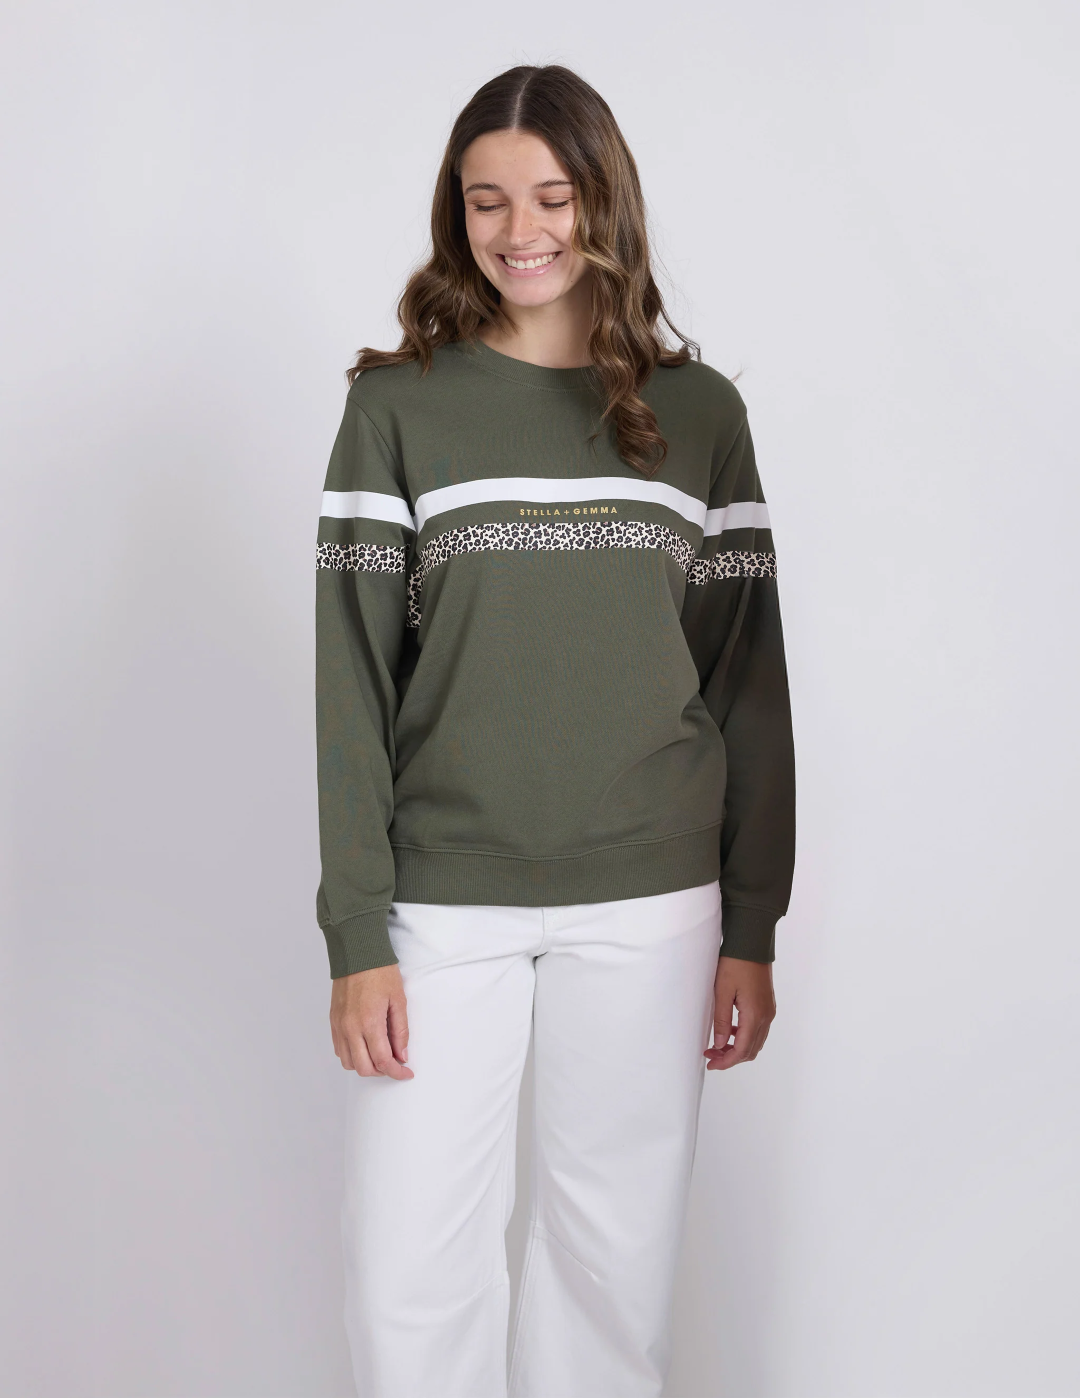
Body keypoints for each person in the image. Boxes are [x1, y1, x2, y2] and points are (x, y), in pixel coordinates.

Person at [315, 63, 795, 1398]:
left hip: (652, 898)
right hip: (441, 900)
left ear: (604, 202)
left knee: (611, 1270)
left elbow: (746, 680)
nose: (518, 231)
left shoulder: (700, 416)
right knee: (407, 1272)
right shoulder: (398, 408)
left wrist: (753, 922)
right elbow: (351, 683)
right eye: (486, 202)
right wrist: (357, 931)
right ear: (455, 213)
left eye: (550, 196)